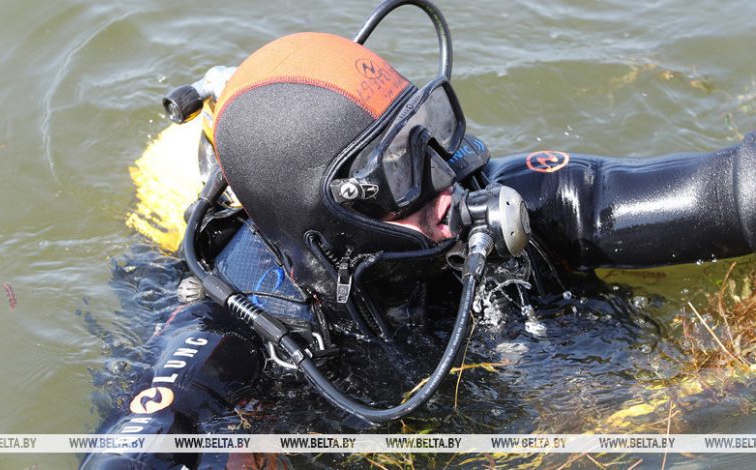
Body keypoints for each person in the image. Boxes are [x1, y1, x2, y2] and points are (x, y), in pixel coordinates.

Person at [81, 1, 756, 468]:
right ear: (328, 224)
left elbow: (721, 193)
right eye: (398, 171)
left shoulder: (506, 203)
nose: (447, 181)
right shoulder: (229, 331)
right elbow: (139, 441)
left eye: (428, 133)